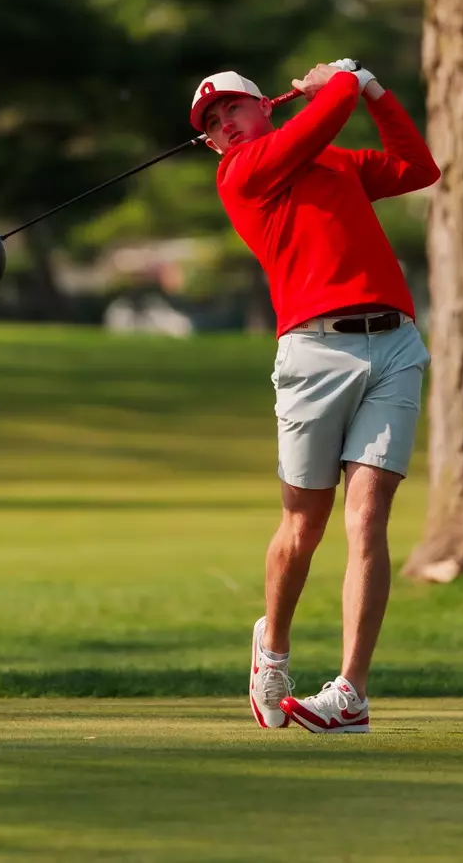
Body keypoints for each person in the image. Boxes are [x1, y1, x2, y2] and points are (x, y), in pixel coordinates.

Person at [188, 59, 440, 733]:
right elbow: (325, 114)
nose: (224, 126)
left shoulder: (335, 162)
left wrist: (376, 91)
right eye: (212, 124)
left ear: (263, 107)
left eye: (233, 109)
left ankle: (351, 692)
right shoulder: (240, 173)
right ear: (210, 144)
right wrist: (344, 79)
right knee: (304, 525)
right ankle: (272, 649)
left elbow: (418, 169)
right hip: (313, 353)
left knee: (368, 520)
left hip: (393, 345)